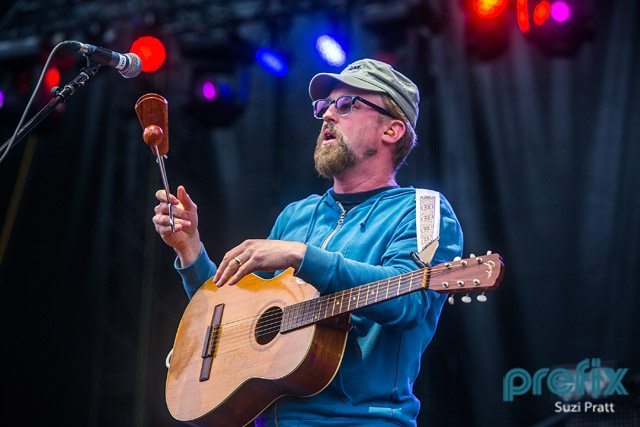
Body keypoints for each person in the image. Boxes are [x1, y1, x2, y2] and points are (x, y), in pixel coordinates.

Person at [152, 58, 463, 426]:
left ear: (392, 130)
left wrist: (303, 256)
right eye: (324, 106)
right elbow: (234, 326)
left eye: (346, 104)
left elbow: (411, 303)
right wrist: (191, 250)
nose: (327, 115)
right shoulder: (296, 215)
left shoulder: (425, 209)